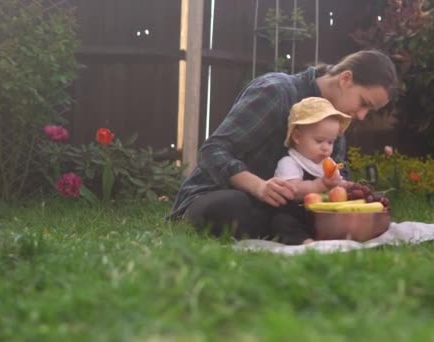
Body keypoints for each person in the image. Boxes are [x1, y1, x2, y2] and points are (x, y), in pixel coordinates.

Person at [168, 49, 398, 240]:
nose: (361, 115)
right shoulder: (276, 92)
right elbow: (212, 151)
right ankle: (292, 229)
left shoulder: (337, 125)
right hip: (219, 196)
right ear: (346, 79)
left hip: (285, 209)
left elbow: (335, 179)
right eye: (364, 103)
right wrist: (259, 187)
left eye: (369, 111)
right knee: (231, 208)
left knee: (351, 214)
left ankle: (291, 229)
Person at [270, 97, 352, 245]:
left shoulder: (328, 163)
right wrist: (321, 185)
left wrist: (344, 185)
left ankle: (332, 237)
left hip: (320, 216)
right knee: (282, 221)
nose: (326, 147)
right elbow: (293, 190)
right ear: (297, 137)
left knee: (340, 215)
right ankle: (303, 240)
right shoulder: (289, 162)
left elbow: (337, 184)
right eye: (319, 141)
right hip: (296, 213)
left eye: (331, 142)